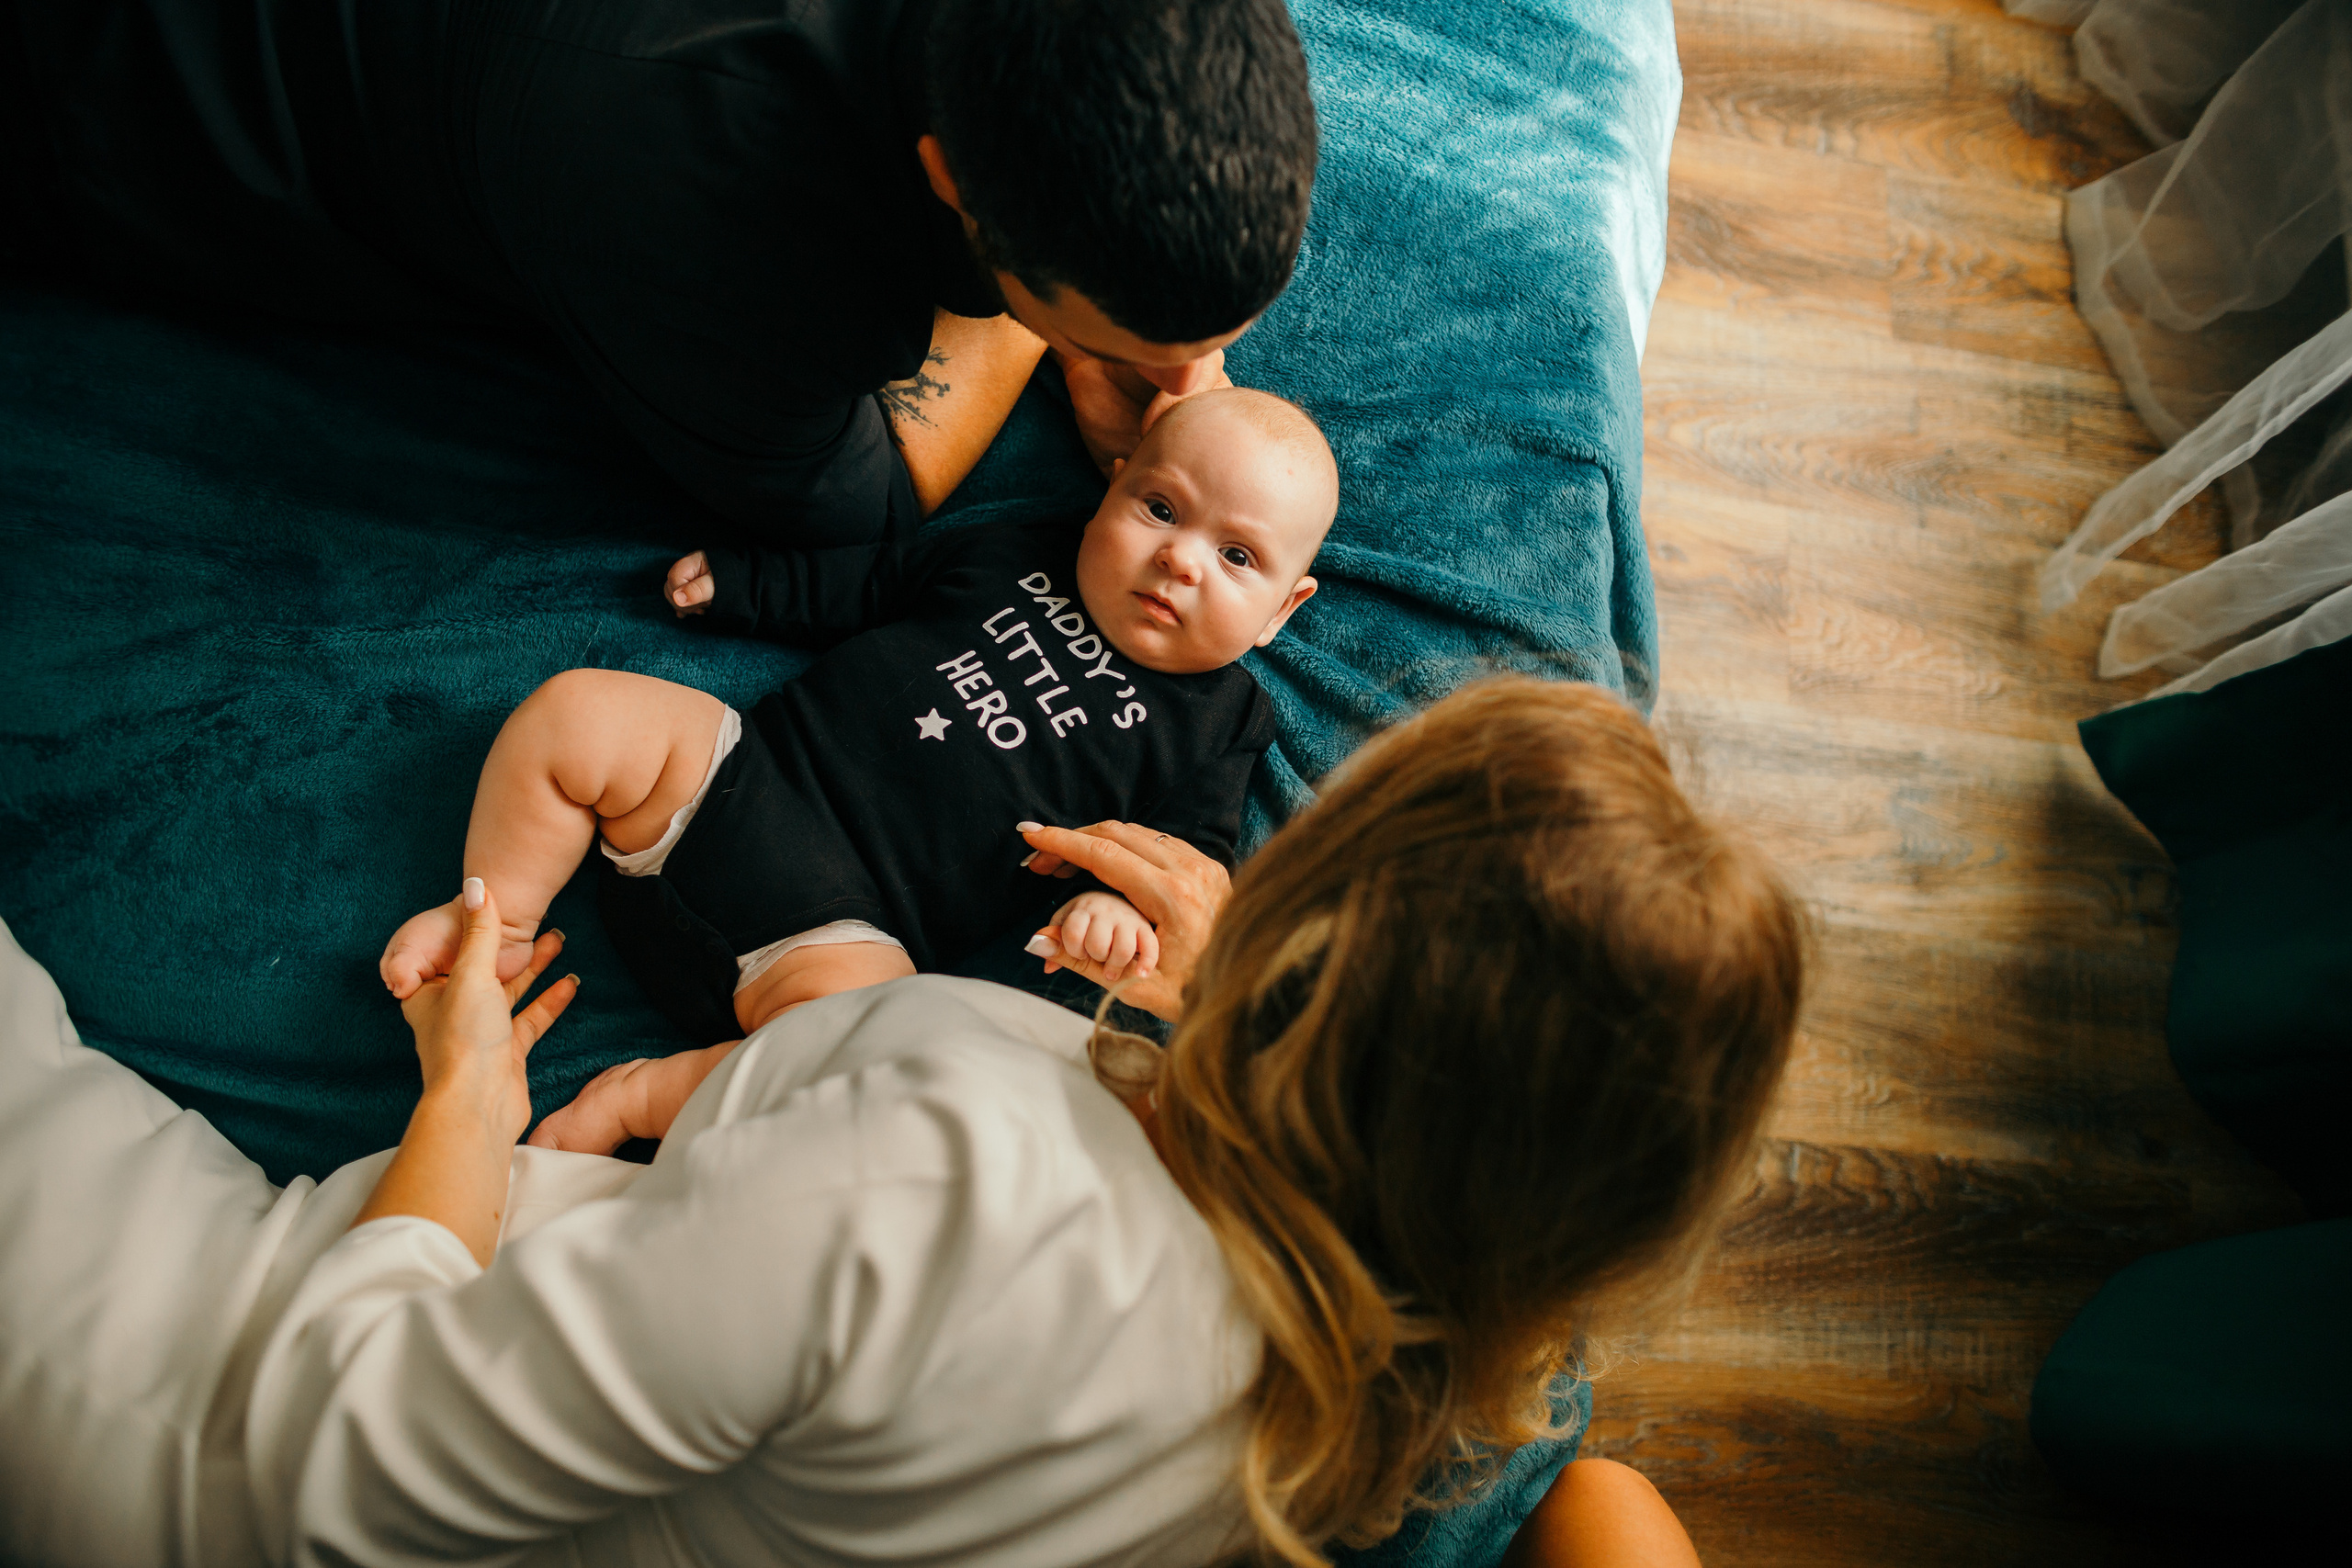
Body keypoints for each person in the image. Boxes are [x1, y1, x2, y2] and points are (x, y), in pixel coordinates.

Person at [0, 678, 1792, 1565]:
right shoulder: (1341, 1408)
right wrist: (1237, 1021)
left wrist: (470, 1095)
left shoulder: (954, 1132)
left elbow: (333, 1455)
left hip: (191, 1423)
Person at [379, 388, 1338, 1149]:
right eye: (1160, 508)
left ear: (1282, 611)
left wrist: (1121, 911)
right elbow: (871, 583)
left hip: (841, 934)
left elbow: (1188, 851)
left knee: (877, 1063)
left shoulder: (1222, 722)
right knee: (578, 712)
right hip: (738, 782)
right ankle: (499, 922)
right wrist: (747, 584)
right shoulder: (1015, 550)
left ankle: (644, 1096)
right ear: (1111, 487)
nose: (1180, 561)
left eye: (1236, 556)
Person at [1, 0, 1317, 541]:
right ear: (952, 182)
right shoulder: (711, 196)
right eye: (1151, 351)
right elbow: (835, 493)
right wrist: (1048, 336)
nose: (1187, 381)